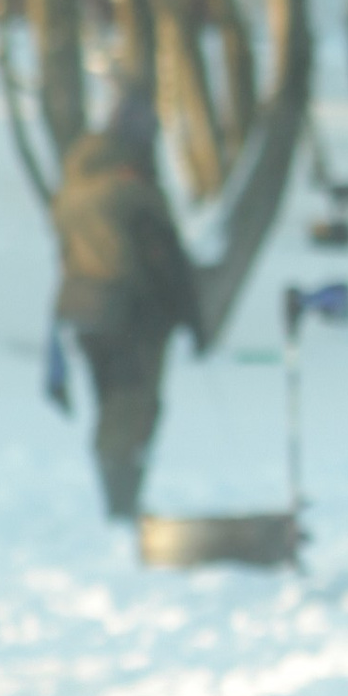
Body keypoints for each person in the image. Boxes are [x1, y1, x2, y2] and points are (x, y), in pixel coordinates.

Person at [51, 90, 202, 517]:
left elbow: (65, 252)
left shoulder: (74, 183)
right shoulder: (133, 189)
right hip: (131, 311)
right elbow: (166, 258)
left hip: (82, 307)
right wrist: (191, 318)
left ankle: (116, 496)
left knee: (110, 400)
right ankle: (120, 504)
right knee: (133, 403)